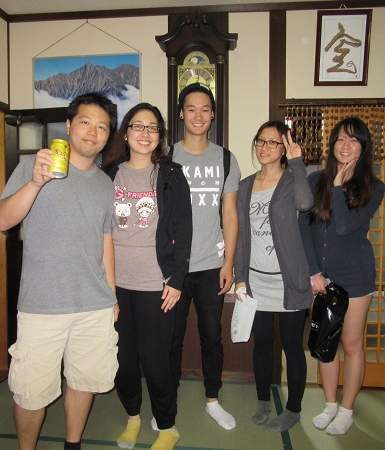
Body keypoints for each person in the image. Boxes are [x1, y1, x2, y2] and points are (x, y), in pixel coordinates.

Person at [0, 93, 119, 450]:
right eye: (85, 122)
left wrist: (112, 296)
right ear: (68, 125)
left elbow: (106, 242)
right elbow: (3, 221)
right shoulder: (34, 167)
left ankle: (72, 444)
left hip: (94, 304)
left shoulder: (105, 184)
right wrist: (36, 182)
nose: (93, 132)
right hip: (42, 304)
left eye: (102, 127)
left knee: (84, 381)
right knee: (31, 391)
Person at [101, 103, 192, 450]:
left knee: (156, 362)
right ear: (125, 133)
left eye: (152, 127)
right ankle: (133, 418)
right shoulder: (108, 174)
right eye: (137, 126)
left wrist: (177, 279)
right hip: (114, 284)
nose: (144, 133)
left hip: (157, 283)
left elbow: (184, 228)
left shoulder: (171, 174)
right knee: (123, 362)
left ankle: (168, 427)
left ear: (160, 136)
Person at [298, 116, 385, 435]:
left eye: (354, 139)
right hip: (323, 278)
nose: (345, 145)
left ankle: (346, 410)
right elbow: (303, 228)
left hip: (356, 277)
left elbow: (346, 226)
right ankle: (330, 405)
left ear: (363, 147)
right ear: (332, 144)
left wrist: (337, 187)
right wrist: (313, 272)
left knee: (351, 343)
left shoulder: (374, 187)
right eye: (340, 139)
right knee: (326, 343)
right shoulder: (314, 180)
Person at [169, 83, 241, 431]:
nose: (198, 115)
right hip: (174, 268)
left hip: (212, 265)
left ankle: (213, 399)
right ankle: (166, 403)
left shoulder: (226, 159)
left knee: (213, 337)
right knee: (171, 338)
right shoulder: (165, 157)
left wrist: (229, 263)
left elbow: (230, 215)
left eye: (205, 109)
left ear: (212, 115)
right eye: (191, 108)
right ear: (181, 114)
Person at [234, 120, 313, 432]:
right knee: (263, 342)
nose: (264, 147)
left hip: (288, 280)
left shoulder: (293, 180)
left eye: (272, 142)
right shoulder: (244, 186)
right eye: (260, 141)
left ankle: (293, 409)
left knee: (292, 345)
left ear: (283, 148)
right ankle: (263, 399)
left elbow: (305, 204)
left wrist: (297, 162)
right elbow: (240, 234)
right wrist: (240, 277)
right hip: (256, 280)